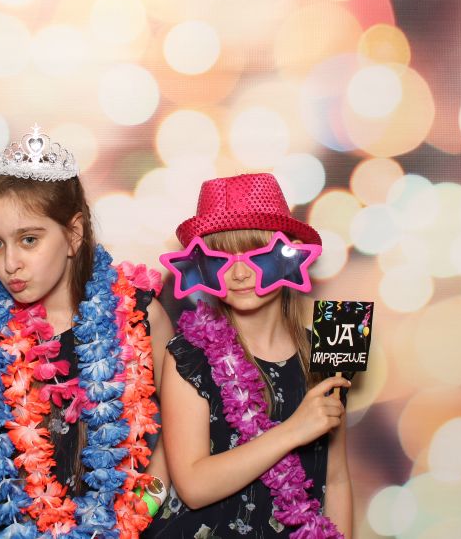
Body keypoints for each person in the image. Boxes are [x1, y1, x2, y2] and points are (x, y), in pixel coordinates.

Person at [0, 124, 174, 539]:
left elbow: (178, 441)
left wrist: (137, 515)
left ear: (73, 234)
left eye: (29, 240)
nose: (9, 263)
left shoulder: (139, 317)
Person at [146, 173, 352, 539]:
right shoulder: (189, 355)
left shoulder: (325, 351)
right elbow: (193, 485)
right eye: (221, 259)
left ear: (289, 257)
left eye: (258, 256)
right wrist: (293, 431)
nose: (239, 273)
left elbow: (335, 479)